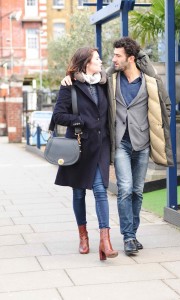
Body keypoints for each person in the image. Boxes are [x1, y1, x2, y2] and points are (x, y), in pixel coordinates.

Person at [61, 37, 173, 256]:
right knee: (124, 188)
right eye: (111, 56)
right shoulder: (110, 80)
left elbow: (165, 105)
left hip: (142, 143)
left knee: (138, 192)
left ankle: (133, 232)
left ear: (131, 58)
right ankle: (127, 237)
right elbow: (87, 80)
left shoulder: (150, 81)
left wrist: (158, 127)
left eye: (117, 56)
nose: (112, 60)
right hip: (120, 142)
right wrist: (69, 77)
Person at [52, 46, 118, 261]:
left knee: (100, 190)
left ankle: (105, 241)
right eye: (97, 59)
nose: (101, 62)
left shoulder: (104, 82)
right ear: (86, 63)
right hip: (79, 146)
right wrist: (81, 120)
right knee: (79, 193)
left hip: (100, 145)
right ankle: (83, 237)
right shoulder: (69, 86)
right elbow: (59, 116)